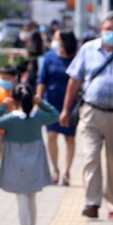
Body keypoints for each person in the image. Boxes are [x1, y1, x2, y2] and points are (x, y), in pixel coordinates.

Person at [59, 11, 113, 221]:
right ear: (100, 30)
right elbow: (74, 80)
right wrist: (65, 109)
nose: (112, 33)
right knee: (90, 157)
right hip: (91, 112)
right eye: (108, 29)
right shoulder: (88, 50)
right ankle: (91, 202)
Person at [0, 84, 59, 225]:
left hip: (15, 161)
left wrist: (3, 106)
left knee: (21, 197)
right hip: (35, 159)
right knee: (31, 197)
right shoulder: (38, 117)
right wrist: (41, 102)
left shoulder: (11, 119)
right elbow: (54, 114)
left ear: (13, 100)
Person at [35, 29, 79, 186]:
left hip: (70, 103)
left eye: (56, 39)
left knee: (69, 138)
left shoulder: (76, 59)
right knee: (51, 136)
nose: (54, 42)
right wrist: (39, 99)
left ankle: (66, 172)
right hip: (50, 103)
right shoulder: (50, 57)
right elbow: (42, 79)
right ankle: (55, 170)